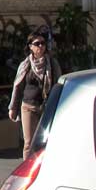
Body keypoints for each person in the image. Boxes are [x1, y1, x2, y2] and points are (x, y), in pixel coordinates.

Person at [9, 28, 62, 160]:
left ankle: (43, 167)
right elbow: (18, 87)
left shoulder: (51, 63)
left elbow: (58, 84)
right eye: (37, 44)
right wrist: (13, 108)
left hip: (46, 107)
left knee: (45, 141)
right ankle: (27, 169)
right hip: (28, 107)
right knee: (29, 143)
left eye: (43, 43)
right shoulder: (25, 65)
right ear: (30, 47)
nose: (41, 46)